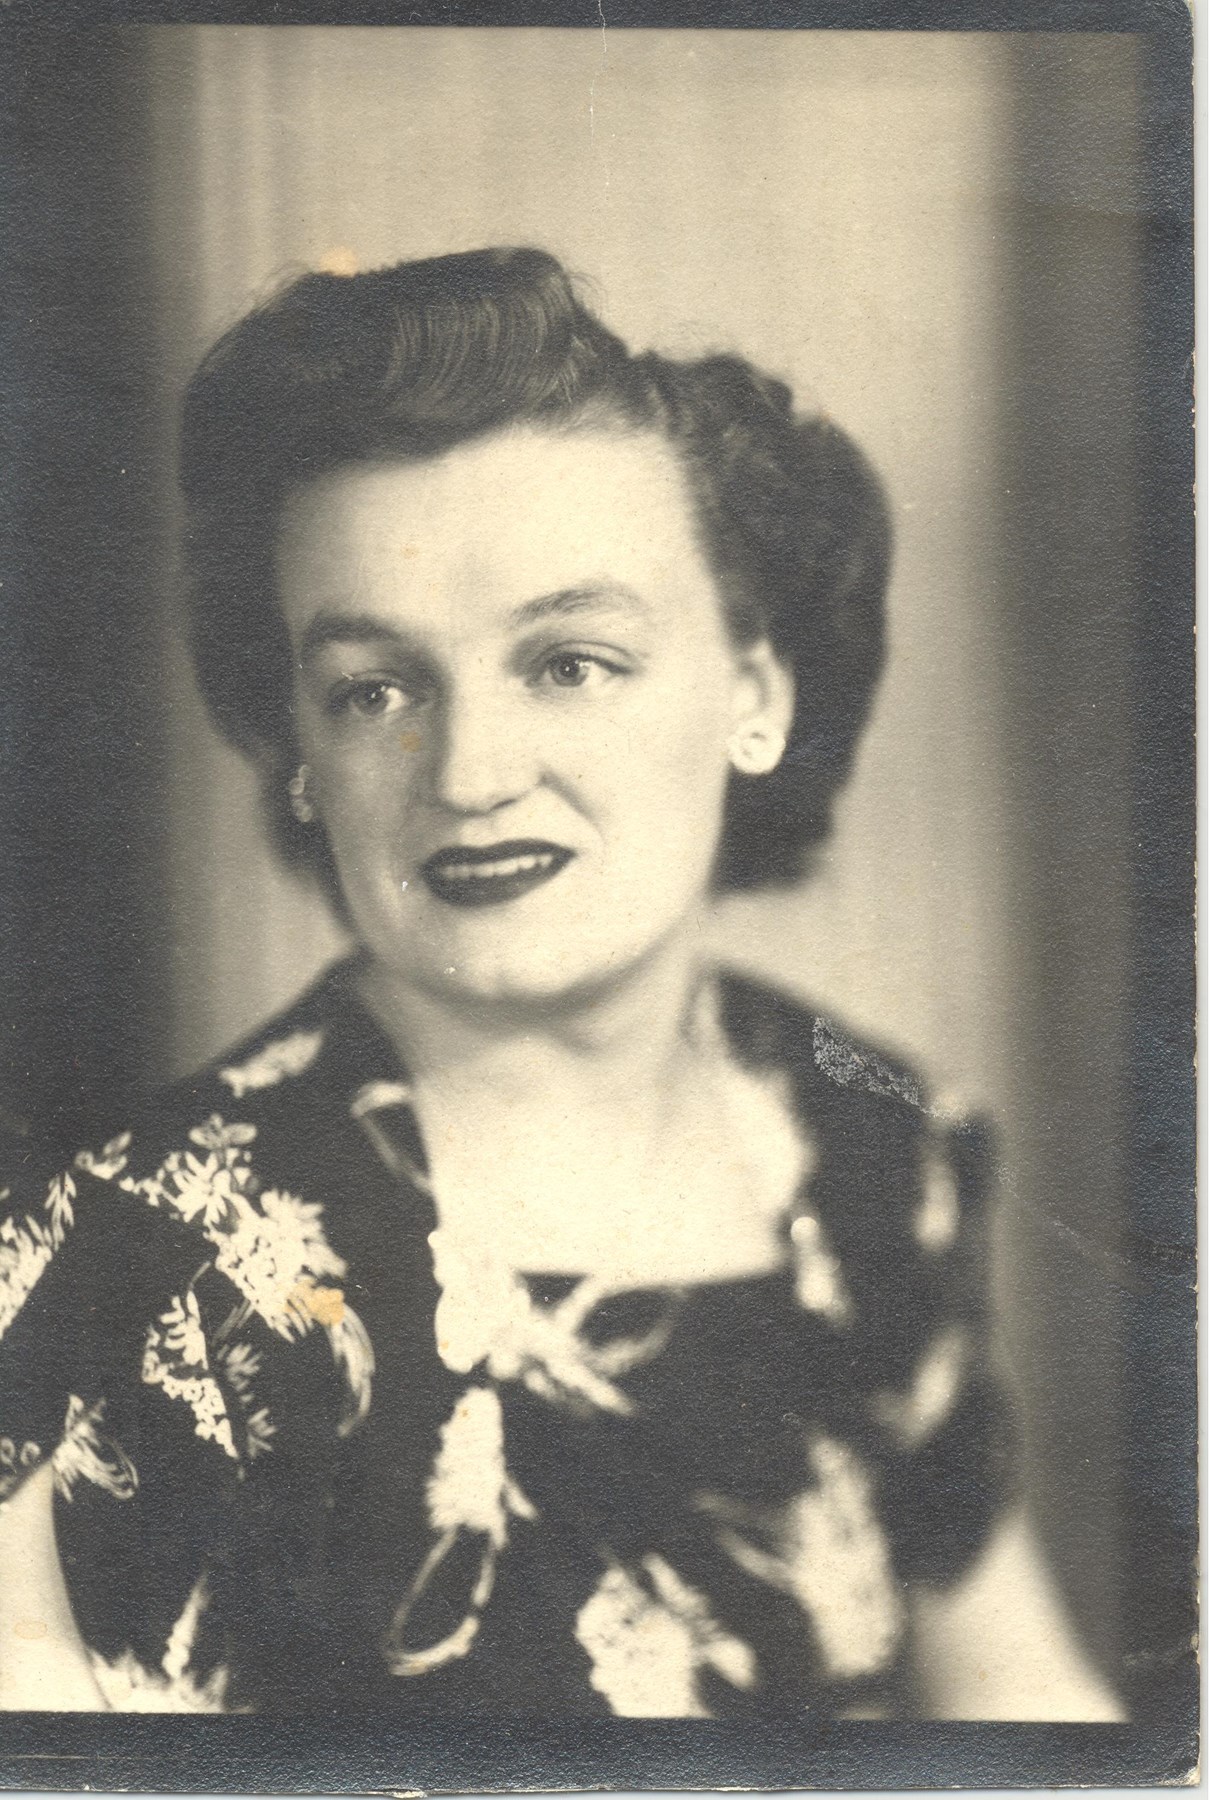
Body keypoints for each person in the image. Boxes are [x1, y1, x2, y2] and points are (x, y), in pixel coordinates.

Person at [0, 248, 1118, 1718]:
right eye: (374, 689)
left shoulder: (870, 1139)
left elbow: (1025, 1711)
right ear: (301, 759)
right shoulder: (126, 1266)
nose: (468, 772)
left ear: (754, 695)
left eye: (570, 662)